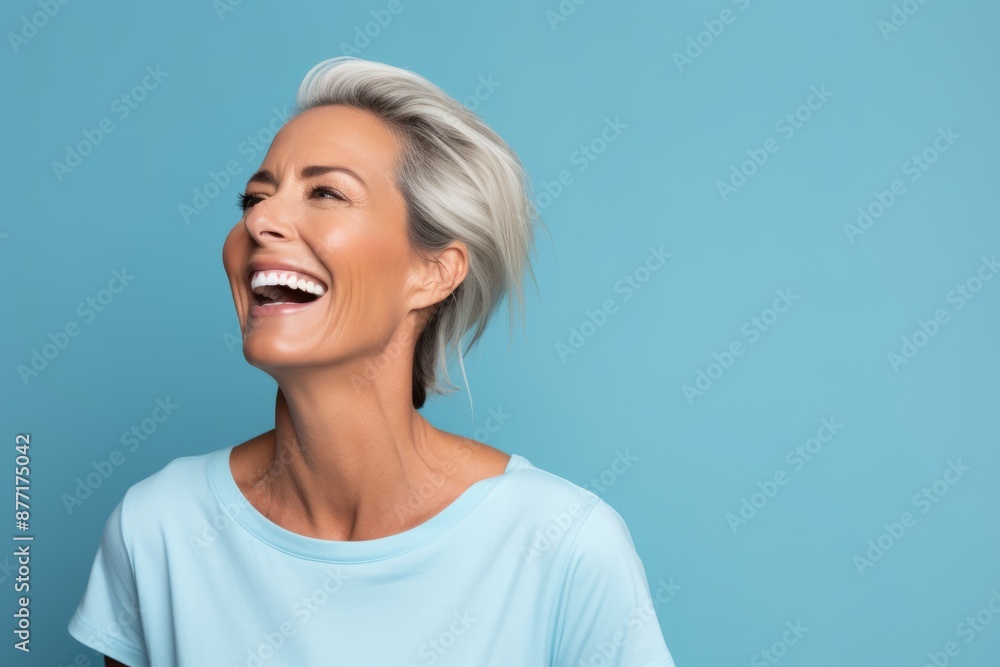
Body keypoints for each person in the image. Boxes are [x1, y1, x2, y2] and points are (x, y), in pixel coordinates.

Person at [67, 56, 676, 666]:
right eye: (252, 197)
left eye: (326, 192)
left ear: (432, 273)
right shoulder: (160, 528)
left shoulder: (563, 547)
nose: (259, 220)